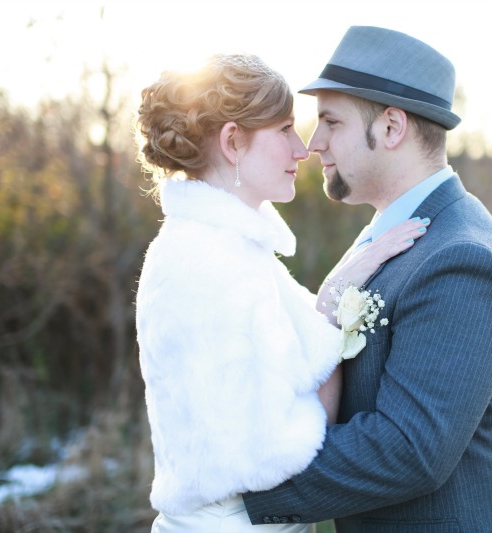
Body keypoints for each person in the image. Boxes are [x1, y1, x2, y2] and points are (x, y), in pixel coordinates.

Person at [242, 26, 492, 532]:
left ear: (392, 127)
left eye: (331, 122)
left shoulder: (462, 259)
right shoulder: (393, 234)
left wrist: (252, 472)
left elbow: (409, 449)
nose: (314, 144)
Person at [133, 53, 429, 532]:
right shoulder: (216, 262)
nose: (302, 148)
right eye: (285, 129)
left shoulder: (211, 246)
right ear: (233, 142)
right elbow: (280, 450)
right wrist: (334, 306)